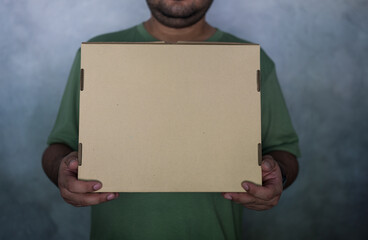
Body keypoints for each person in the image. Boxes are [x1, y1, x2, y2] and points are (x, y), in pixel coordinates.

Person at [42, 0, 300, 239]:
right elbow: (58, 147)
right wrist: (61, 173)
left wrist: (280, 175)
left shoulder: (254, 60)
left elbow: (284, 152)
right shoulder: (95, 54)